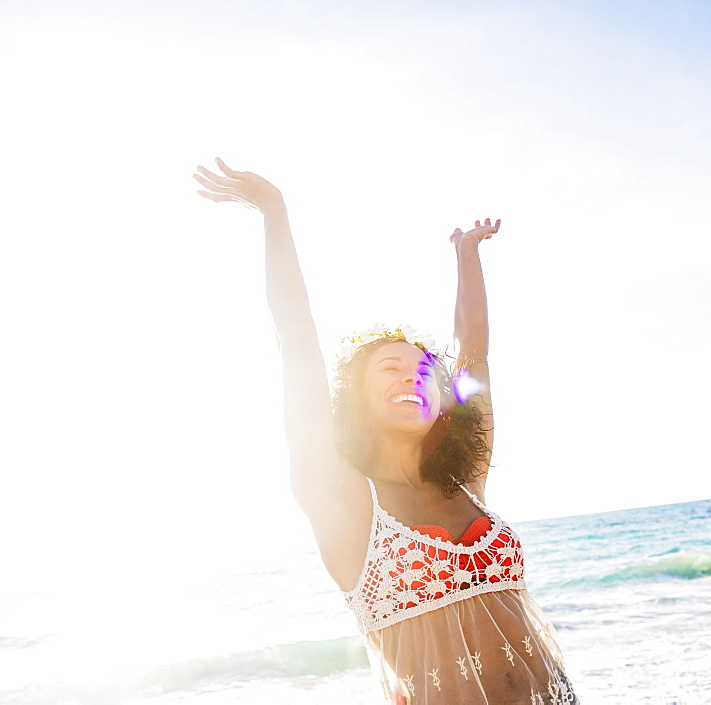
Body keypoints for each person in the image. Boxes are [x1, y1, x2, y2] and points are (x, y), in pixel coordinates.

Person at [193, 158, 578, 704]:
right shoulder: (345, 502)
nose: (412, 377)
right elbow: (297, 341)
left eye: (423, 370)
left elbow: (475, 358)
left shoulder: (466, 480)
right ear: (355, 397)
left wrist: (466, 255)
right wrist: (273, 212)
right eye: (389, 368)